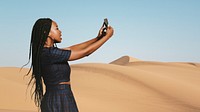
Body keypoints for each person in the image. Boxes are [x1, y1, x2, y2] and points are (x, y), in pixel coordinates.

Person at [24, 18, 114, 112]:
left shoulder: (49, 52)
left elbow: (73, 48)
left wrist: (97, 38)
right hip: (60, 98)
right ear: (47, 33)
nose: (60, 31)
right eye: (57, 28)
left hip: (60, 96)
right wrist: (107, 37)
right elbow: (85, 52)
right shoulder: (49, 54)